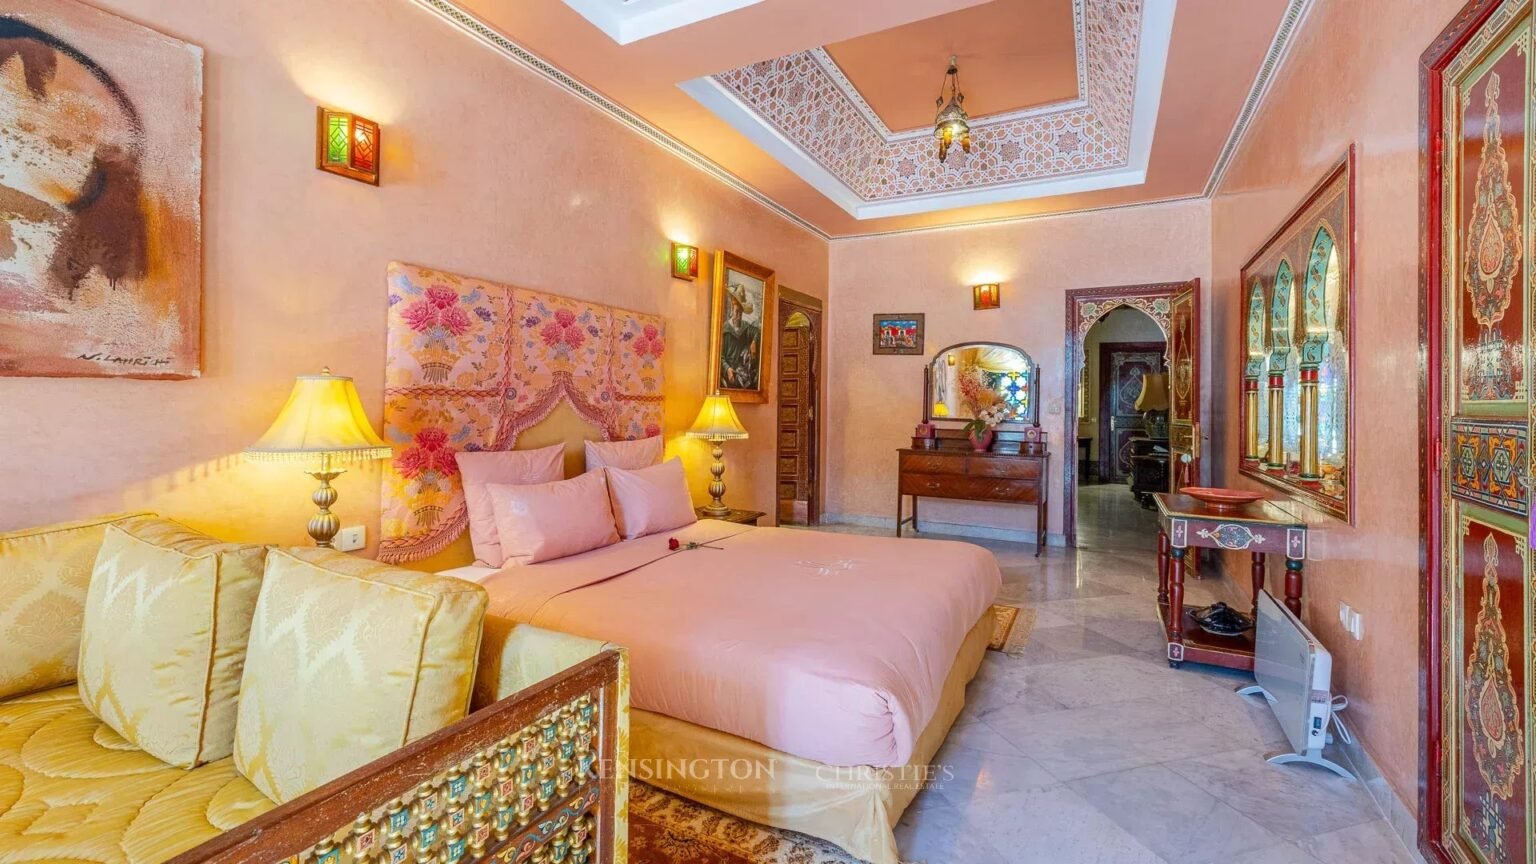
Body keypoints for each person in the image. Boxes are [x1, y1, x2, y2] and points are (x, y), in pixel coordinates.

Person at [719, 281, 760, 390]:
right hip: (729, 375)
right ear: (732, 309)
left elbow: (757, 332)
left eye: (741, 313)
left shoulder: (746, 328)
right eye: (737, 312)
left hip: (742, 374)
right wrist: (727, 369)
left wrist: (754, 342)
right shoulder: (724, 329)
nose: (738, 316)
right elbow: (719, 356)